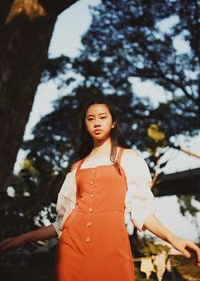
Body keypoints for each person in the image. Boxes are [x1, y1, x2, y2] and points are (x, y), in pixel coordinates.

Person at [0, 99, 200, 281]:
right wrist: (24, 238)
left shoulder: (129, 158)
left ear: (113, 123)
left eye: (103, 117)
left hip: (111, 248)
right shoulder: (76, 167)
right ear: (85, 126)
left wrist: (173, 238)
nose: (96, 122)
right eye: (90, 119)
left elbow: (142, 212)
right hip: (71, 250)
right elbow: (63, 222)